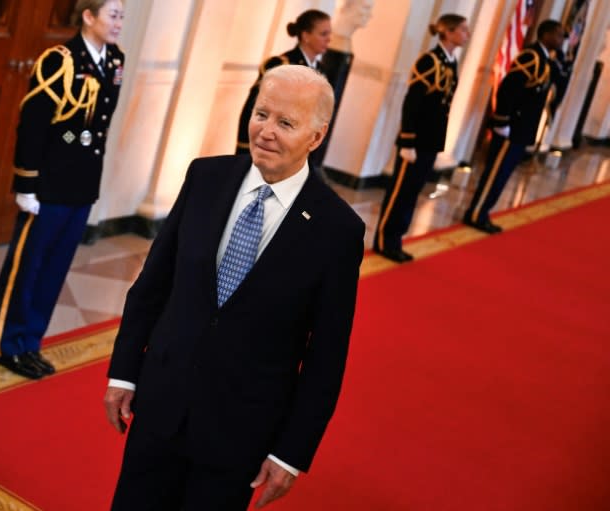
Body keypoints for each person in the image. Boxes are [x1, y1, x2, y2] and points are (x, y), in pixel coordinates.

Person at [105, 65, 365, 511]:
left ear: (315, 138)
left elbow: (326, 356)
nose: (265, 131)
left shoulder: (337, 229)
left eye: (285, 123)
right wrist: (124, 372)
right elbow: (152, 286)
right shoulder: (205, 177)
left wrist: (291, 452)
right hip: (160, 405)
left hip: (239, 433)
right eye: (262, 113)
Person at [0, 0, 124, 380]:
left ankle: (30, 342)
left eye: (122, 16)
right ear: (89, 16)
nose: (119, 23)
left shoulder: (114, 61)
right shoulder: (60, 60)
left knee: (53, 270)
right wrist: (26, 183)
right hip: (47, 185)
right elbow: (34, 125)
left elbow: (97, 129)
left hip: (80, 186)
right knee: (27, 267)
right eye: (113, 15)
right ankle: (6, 343)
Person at [373, 14, 470, 263]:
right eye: (461, 29)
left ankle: (397, 239)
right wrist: (407, 141)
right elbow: (412, 103)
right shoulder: (430, 61)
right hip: (415, 141)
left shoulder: (450, 62)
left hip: (430, 141)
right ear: (446, 32)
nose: (466, 34)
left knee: (413, 191)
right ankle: (385, 240)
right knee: (401, 192)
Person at [463, 19, 565, 234]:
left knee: (503, 174)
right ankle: (476, 213)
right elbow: (507, 90)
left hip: (522, 130)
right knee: (495, 174)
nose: (561, 39)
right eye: (557, 35)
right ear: (545, 35)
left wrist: (563, 60)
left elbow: (559, 83)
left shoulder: (547, 60)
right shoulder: (531, 57)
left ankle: (482, 211)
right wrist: (502, 121)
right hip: (511, 128)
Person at [235, 9, 331, 154]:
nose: (329, 39)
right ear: (306, 36)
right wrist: (246, 147)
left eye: (329, 34)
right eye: (323, 34)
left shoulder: (321, 71)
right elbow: (254, 107)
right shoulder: (281, 64)